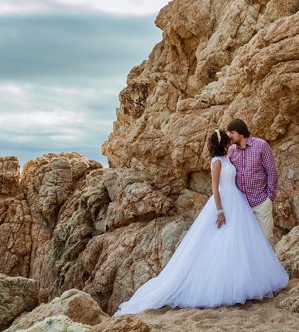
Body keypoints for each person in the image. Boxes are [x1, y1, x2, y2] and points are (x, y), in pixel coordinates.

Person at [114, 129, 288, 316]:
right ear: (222, 143)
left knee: (237, 243)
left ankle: (243, 281)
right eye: (227, 139)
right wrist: (219, 211)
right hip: (224, 203)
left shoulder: (227, 157)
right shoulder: (216, 161)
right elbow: (215, 188)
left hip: (237, 202)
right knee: (220, 242)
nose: (230, 141)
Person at [225, 119, 278, 241]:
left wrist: (270, 197)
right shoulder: (231, 150)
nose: (229, 136)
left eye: (232, 133)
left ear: (240, 133)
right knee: (246, 240)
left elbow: (271, 172)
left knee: (266, 238)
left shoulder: (261, 145)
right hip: (241, 205)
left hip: (260, 202)